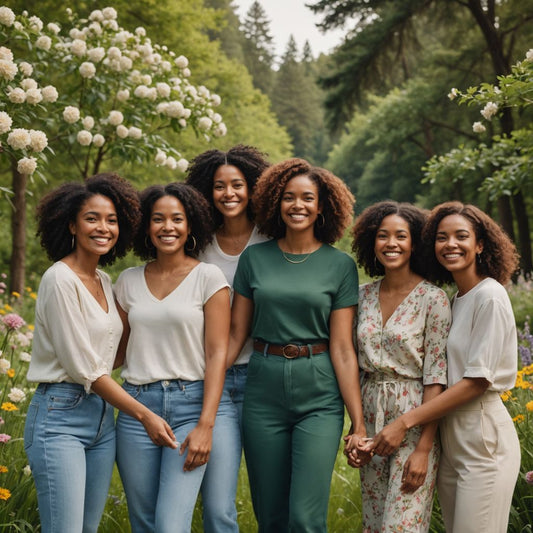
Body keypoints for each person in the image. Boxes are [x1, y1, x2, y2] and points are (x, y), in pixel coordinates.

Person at [24, 173, 177, 533]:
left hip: (101, 418)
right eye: (92, 219)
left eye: (111, 220)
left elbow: (111, 354)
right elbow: (88, 370)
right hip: (59, 418)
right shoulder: (59, 279)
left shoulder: (105, 282)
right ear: (72, 225)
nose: (103, 228)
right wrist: (145, 416)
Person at [365, 201, 521, 533]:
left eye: (461, 236)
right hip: (451, 438)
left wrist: (404, 423)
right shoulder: (459, 297)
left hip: (483, 438)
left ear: (480, 244)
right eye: (441, 237)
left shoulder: (490, 297)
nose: (450, 244)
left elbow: (476, 382)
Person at [229, 158, 367, 532]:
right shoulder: (254, 258)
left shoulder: (340, 266)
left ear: (322, 206)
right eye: (288, 197)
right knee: (270, 516)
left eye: (308, 198)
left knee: (305, 518)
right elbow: (235, 334)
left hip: (319, 393)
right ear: (276, 202)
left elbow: (342, 348)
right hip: (263, 388)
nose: (298, 205)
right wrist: (204, 381)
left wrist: (358, 421)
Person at [113, 182, 237, 533]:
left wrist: (205, 424)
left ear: (190, 225)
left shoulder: (207, 277)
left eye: (177, 219)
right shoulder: (127, 281)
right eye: (158, 219)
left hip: (194, 403)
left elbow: (217, 353)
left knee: (170, 525)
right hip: (138, 409)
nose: (168, 227)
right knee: (145, 522)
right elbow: (117, 352)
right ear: (145, 226)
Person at [346, 201, 450, 533]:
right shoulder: (361, 296)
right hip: (371, 410)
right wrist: (356, 428)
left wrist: (423, 449)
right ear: (370, 242)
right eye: (382, 236)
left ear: (415, 243)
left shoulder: (433, 300)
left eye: (400, 236)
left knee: (401, 526)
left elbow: (436, 376)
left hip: (415, 415)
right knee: (375, 524)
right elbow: (353, 364)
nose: (391, 243)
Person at [186, 145, 270, 532]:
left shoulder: (272, 238)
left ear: (254, 188)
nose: (229, 194)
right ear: (207, 191)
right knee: (218, 507)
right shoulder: (197, 245)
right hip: (210, 378)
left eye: (238, 185)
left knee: (271, 495)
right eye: (219, 186)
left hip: (264, 376)